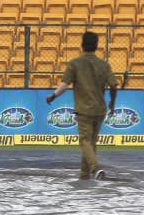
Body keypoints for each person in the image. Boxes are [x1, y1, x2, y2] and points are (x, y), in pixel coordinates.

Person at [46, 32, 118, 180]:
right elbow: (114, 86)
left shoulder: (74, 64)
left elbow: (65, 85)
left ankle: (95, 168)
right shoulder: (104, 65)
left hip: (84, 110)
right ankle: (84, 174)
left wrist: (53, 95)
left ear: (82, 45)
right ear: (97, 46)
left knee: (84, 141)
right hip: (100, 109)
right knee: (91, 143)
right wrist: (112, 102)